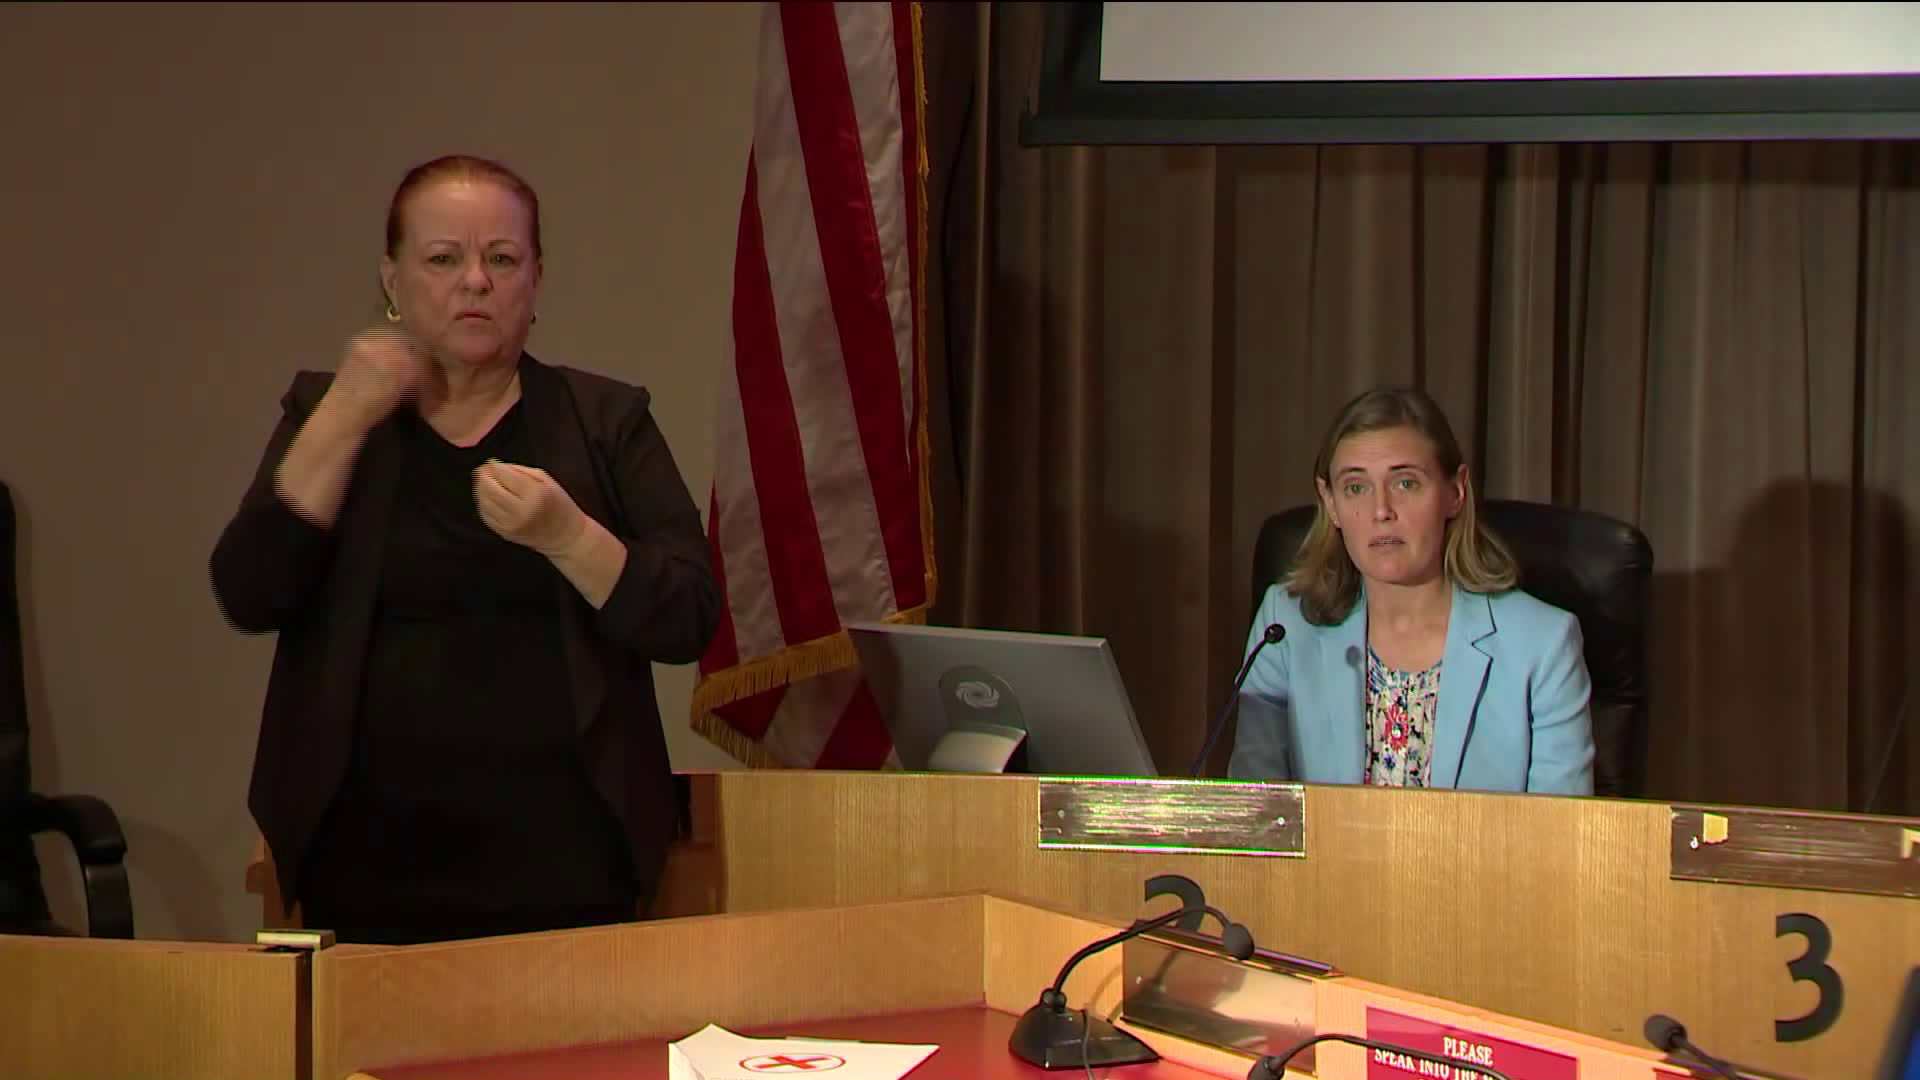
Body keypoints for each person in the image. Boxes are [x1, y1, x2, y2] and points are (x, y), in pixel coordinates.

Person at [209, 154, 721, 944]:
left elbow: (689, 615)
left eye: (502, 259)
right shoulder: (326, 411)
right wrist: (346, 414)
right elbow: (249, 591)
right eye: (443, 259)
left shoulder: (604, 420)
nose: (474, 281)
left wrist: (569, 536)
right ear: (393, 278)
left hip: (571, 871)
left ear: (536, 281)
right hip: (364, 873)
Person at [1228, 386, 1595, 795]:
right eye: (1355, 487)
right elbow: (1255, 813)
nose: (1381, 510)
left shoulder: (1542, 644)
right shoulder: (1285, 627)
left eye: (1405, 483)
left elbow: (1561, 840)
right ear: (1330, 503)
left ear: (1454, 492)